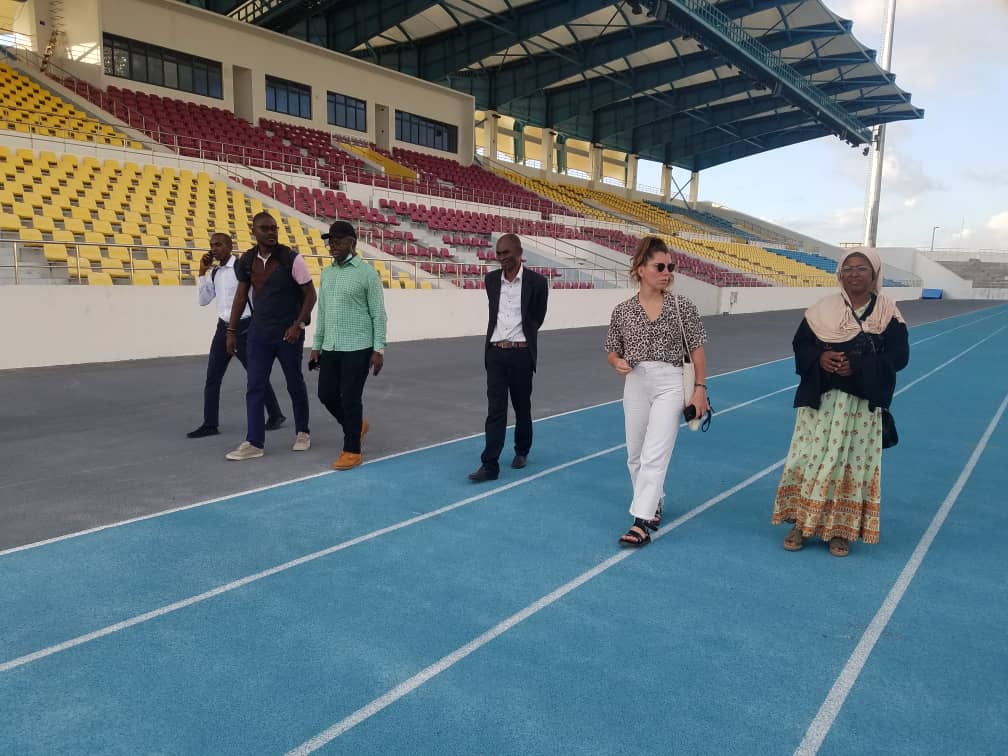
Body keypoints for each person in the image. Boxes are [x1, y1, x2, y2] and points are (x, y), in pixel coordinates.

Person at [771, 249, 909, 557]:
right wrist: (820, 357)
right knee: (809, 460)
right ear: (840, 274)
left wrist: (859, 366)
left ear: (874, 275)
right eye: (848, 268)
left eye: (862, 268)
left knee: (850, 466)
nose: (854, 273)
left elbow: (899, 357)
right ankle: (802, 524)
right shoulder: (823, 309)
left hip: (861, 406)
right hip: (821, 403)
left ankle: (841, 529)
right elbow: (800, 344)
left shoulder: (888, 313)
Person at [604, 236, 708, 547]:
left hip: (670, 382)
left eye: (670, 267)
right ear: (640, 269)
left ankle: (641, 521)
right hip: (636, 381)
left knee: (654, 454)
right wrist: (617, 362)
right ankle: (655, 501)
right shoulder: (622, 311)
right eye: (659, 266)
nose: (667, 272)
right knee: (634, 455)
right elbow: (611, 349)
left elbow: (698, 351)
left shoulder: (682, 306)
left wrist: (700, 389)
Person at [224, 211, 317, 461]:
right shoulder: (246, 261)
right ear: (254, 231)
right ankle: (254, 442)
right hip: (258, 334)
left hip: (288, 333)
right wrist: (231, 331)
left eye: (274, 228)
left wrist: (297, 325)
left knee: (294, 382)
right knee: (255, 386)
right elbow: (241, 296)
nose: (271, 232)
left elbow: (310, 295)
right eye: (265, 228)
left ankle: (302, 432)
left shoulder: (291, 258)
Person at [187, 232, 285, 439]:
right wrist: (201, 273)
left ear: (230, 246)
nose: (214, 248)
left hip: (245, 328)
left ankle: (275, 414)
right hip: (222, 328)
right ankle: (210, 423)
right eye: (212, 245)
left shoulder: (242, 268)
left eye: (219, 245)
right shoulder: (215, 273)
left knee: (255, 374)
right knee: (212, 377)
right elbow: (204, 301)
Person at [468, 233, 548, 482]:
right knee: (495, 410)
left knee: (522, 407)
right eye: (499, 254)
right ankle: (489, 464)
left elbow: (537, 317)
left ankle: (522, 449)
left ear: (519, 252)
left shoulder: (537, 282)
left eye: (506, 253)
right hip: (495, 353)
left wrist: (522, 338)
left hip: (522, 354)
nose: (501, 258)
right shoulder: (491, 280)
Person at [309, 221, 387, 471]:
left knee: (351, 398)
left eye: (338, 241)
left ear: (352, 242)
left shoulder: (367, 274)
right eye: (330, 241)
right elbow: (322, 313)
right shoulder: (327, 273)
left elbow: (378, 314)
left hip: (359, 347)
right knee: (326, 394)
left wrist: (378, 349)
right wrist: (316, 346)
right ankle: (357, 426)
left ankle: (352, 450)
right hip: (331, 346)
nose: (332, 246)